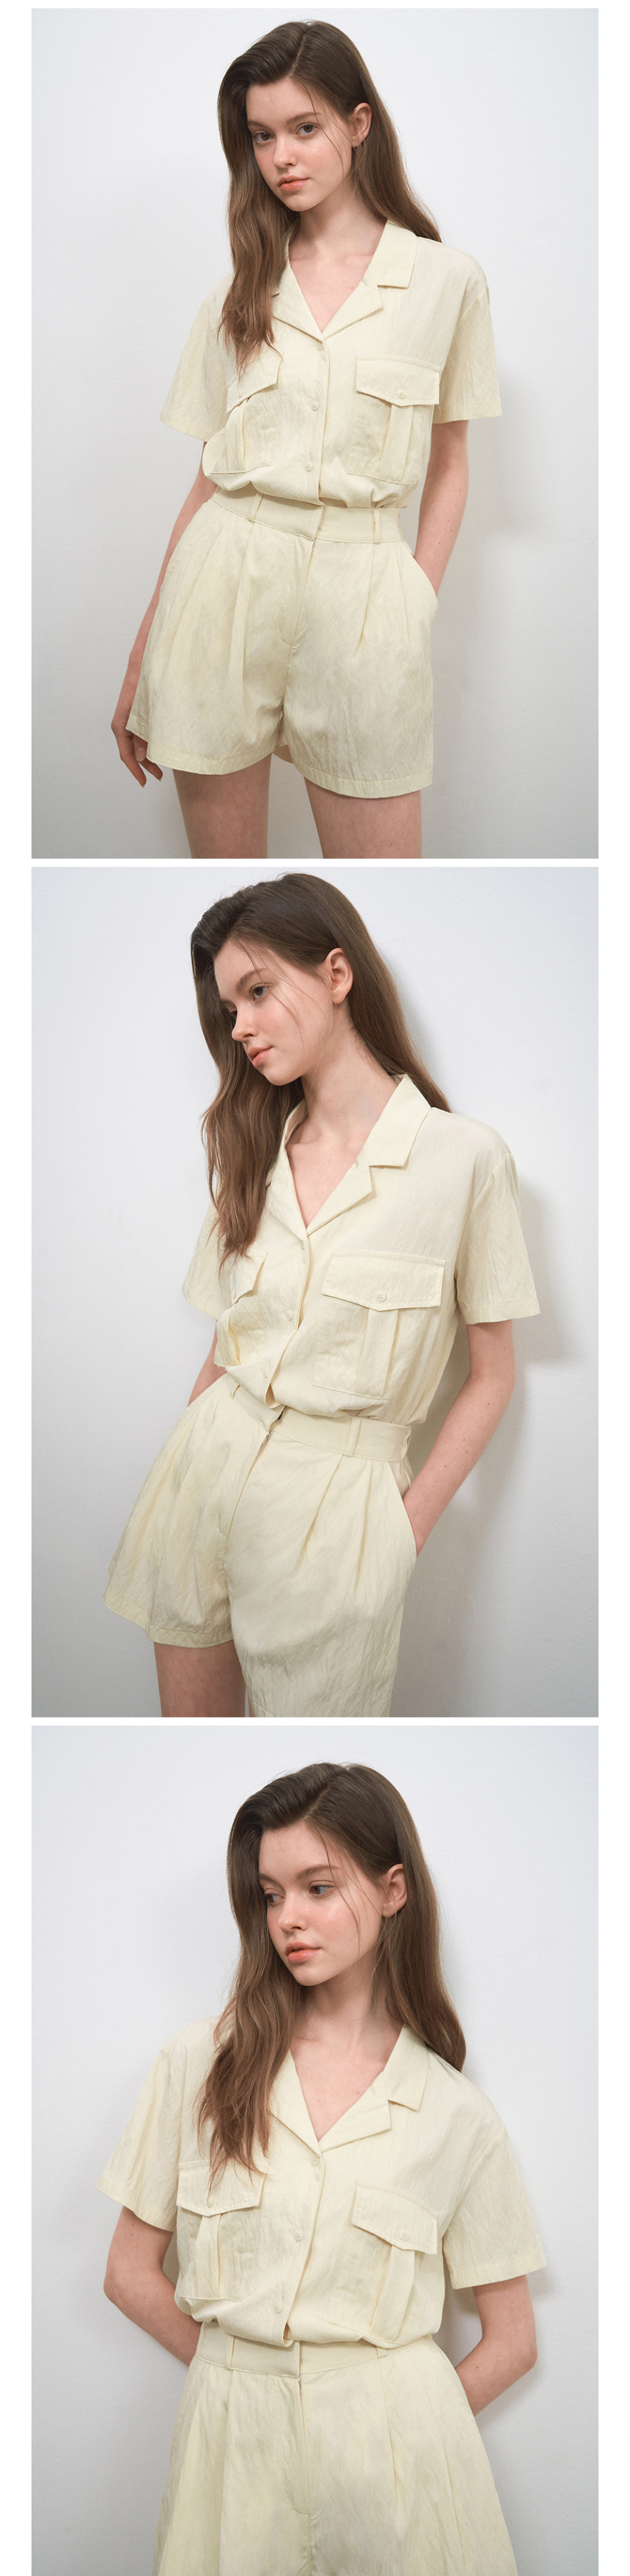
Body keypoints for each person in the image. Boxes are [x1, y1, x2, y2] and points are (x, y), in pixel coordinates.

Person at [104, 874, 539, 1718]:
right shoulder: (252, 1151)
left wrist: (403, 1531)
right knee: (193, 1744)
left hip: (340, 1519)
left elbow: (493, 1375)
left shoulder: (465, 1160)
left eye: (258, 991)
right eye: (229, 1008)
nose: (240, 1026)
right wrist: (187, 1460)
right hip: (203, 1475)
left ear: (337, 974)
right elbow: (226, 1347)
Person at [98, 1759, 546, 2576]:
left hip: (400, 2474)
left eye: (317, 1886)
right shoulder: (200, 2064)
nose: (288, 1919)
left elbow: (513, 2339)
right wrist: (241, 2383)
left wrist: (395, 2423)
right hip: (233, 2462)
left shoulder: (456, 2114)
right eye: (271, 1894)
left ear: (393, 1888)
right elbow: (129, 2273)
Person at [110, 20, 501, 860]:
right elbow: (208, 481)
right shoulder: (239, 290)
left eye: (303, 128)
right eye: (261, 136)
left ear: (358, 125)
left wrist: (415, 598)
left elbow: (451, 460)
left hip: (365, 597)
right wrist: (145, 652)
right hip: (222, 585)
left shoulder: (447, 281)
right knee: (220, 881)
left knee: (385, 879)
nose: (281, 157)